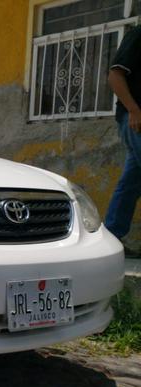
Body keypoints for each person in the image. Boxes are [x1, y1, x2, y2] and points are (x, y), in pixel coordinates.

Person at [104, 24, 141, 256]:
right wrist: (134, 110)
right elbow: (115, 76)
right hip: (136, 118)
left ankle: (111, 240)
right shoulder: (138, 36)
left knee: (131, 182)